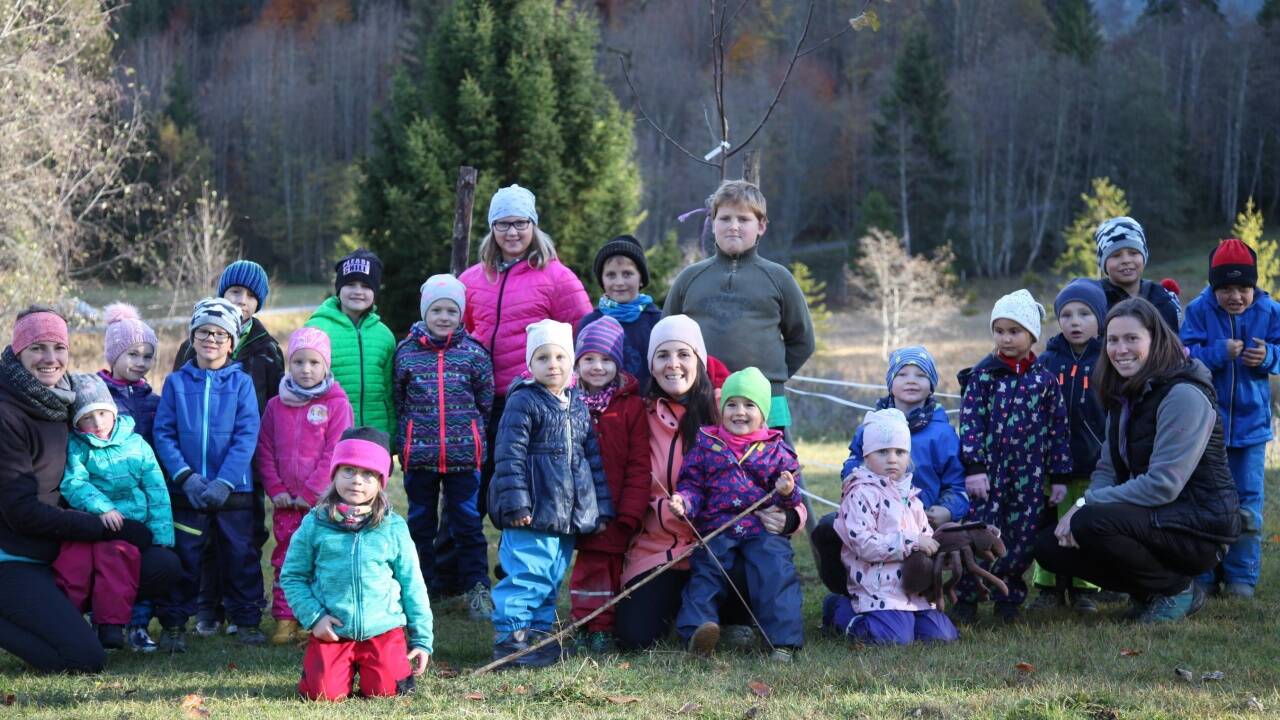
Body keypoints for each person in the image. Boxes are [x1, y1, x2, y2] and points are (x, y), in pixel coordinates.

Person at [1035, 298, 1241, 623]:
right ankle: (1148, 591)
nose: (1120, 349)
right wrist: (1088, 501)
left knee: (1090, 522)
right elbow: (1106, 468)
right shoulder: (1124, 392)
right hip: (1155, 518)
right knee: (1048, 545)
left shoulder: (1183, 394)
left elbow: (1163, 485)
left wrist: (1086, 504)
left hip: (1199, 527)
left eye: (1132, 338)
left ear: (1155, 340)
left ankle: (1176, 589)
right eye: (1113, 340)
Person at [613, 315, 807, 652]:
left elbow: (784, 480)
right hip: (665, 547)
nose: (674, 364)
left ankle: (736, 620)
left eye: (684, 354)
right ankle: (693, 620)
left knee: (762, 564)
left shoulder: (732, 408)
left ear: (699, 360)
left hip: (731, 542)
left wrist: (791, 518)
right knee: (635, 636)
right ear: (652, 364)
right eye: (663, 355)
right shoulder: (639, 415)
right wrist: (671, 509)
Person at [0, 306, 178, 673]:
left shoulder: (64, 399)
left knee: (162, 565)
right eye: (37, 348)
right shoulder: (8, 414)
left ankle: (70, 613)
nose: (50, 359)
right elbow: (21, 512)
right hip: (16, 556)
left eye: (58, 348)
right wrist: (103, 526)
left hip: (61, 547)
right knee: (83, 658)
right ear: (18, 352)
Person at [458, 186, 591, 523]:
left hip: (534, 401)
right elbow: (464, 330)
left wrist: (565, 382)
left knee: (525, 489)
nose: (512, 232)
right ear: (492, 228)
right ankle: (457, 571)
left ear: (533, 225)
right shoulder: (473, 279)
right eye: (502, 224)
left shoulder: (557, 277)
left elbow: (584, 332)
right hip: (482, 402)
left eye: (520, 223)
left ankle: (518, 568)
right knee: (473, 492)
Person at [487, 320, 612, 669]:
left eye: (560, 356)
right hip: (532, 510)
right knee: (527, 574)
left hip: (566, 513)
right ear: (531, 364)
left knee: (552, 576)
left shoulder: (576, 403)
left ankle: (539, 636)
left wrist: (598, 508)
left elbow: (591, 458)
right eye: (543, 357)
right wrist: (516, 503)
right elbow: (508, 455)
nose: (552, 364)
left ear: (571, 362)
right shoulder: (524, 401)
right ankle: (511, 639)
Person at [812, 345, 968, 626]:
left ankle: (922, 604)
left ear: (932, 385)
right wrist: (863, 482)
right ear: (890, 383)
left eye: (920, 375)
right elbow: (852, 464)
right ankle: (846, 595)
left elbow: (957, 486)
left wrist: (946, 510)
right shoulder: (870, 426)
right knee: (828, 527)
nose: (911, 380)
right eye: (903, 373)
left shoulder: (943, 433)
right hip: (872, 518)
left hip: (921, 523)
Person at [173, 261, 283, 638]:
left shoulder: (267, 350)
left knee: (244, 538)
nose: (243, 300)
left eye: (251, 296)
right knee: (200, 544)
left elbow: (270, 408)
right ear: (223, 293)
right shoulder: (194, 344)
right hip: (196, 466)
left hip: (243, 465)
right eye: (236, 292)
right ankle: (208, 608)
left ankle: (244, 610)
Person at [280, 427, 432, 700]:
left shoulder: (393, 527)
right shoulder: (315, 524)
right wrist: (315, 617)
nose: (357, 481)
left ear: (380, 480)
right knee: (322, 694)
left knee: (387, 692)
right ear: (335, 473)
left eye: (368, 474)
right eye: (348, 471)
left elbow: (413, 584)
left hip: (383, 630)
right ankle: (324, 671)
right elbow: (293, 577)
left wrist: (422, 639)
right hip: (334, 630)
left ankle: (386, 668)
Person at [669, 367, 803, 662]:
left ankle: (783, 641)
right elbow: (693, 485)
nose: (739, 412)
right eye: (731, 404)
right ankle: (696, 634)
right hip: (719, 527)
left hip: (761, 529)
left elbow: (793, 498)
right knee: (706, 572)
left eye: (749, 405)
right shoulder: (707, 446)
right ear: (721, 408)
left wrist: (786, 490)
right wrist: (684, 502)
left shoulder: (777, 451)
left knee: (776, 571)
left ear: (763, 412)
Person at [953, 289, 1071, 624]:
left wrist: (1059, 475)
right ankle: (968, 596)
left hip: (1030, 478)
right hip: (988, 476)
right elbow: (971, 423)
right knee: (980, 534)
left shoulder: (1044, 381)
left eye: (1014, 331)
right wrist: (974, 467)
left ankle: (1008, 598)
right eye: (1000, 330)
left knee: (1021, 539)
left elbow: (1057, 429)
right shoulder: (983, 376)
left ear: (1032, 335)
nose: (1006, 338)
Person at [152, 298, 263, 650]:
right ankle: (174, 625)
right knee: (185, 557)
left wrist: (225, 481)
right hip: (188, 491)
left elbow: (247, 435)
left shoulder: (241, 384)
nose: (211, 339)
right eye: (203, 332)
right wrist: (186, 477)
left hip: (234, 492)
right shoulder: (175, 383)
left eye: (219, 334)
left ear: (231, 342)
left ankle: (246, 620)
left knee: (240, 555)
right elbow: (164, 433)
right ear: (192, 338)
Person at [663, 180, 815, 431]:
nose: (733, 226)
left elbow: (803, 340)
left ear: (761, 226)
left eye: (743, 220)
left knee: (774, 467)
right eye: (725, 219)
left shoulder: (779, 278)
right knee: (701, 467)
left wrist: (769, 380)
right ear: (712, 224)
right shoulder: (689, 278)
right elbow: (666, 337)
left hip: (766, 400)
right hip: (702, 398)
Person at [1179, 238, 1279, 599]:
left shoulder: (1270, 311)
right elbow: (1185, 355)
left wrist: (1269, 356)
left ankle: (1242, 576)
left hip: (1252, 429)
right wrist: (1218, 352)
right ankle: (1205, 573)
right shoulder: (1198, 310)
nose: (1235, 296)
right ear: (1213, 287)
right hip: (1207, 427)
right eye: (1225, 289)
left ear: (1254, 286)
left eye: (1243, 288)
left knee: (1247, 504)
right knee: (1206, 500)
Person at [393, 275, 494, 619]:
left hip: (464, 456)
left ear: (461, 313)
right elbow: (399, 398)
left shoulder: (474, 354)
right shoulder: (406, 353)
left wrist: (472, 434)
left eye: (452, 310)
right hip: (419, 456)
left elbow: (485, 401)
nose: (444, 317)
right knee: (420, 523)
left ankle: (476, 587)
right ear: (425, 312)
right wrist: (405, 440)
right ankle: (421, 587)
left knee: (466, 523)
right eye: (437, 309)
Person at [56, 376, 174, 650]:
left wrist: (161, 536)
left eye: (102, 414)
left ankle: (113, 625)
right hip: (94, 523)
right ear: (76, 423)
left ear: (113, 411)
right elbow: (74, 483)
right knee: (77, 566)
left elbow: (156, 490)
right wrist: (102, 507)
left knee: (119, 561)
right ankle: (72, 623)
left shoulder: (136, 445)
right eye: (87, 418)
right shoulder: (78, 447)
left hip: (133, 526)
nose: (97, 423)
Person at [256, 327, 353, 645]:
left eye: (314, 362)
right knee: (286, 559)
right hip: (286, 503)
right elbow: (265, 450)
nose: (306, 369)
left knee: (322, 560)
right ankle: (285, 619)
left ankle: (316, 619)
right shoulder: (276, 405)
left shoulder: (337, 404)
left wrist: (311, 492)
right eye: (299, 362)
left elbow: (336, 451)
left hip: (322, 502)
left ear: (326, 365)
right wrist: (276, 489)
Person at [830, 409, 957, 645]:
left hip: (913, 587)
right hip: (877, 588)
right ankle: (842, 611)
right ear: (866, 456)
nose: (892, 459)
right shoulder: (860, 494)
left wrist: (940, 552)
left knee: (943, 636)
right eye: (882, 451)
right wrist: (912, 542)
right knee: (893, 638)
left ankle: (907, 620)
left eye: (900, 452)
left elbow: (925, 537)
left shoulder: (912, 497)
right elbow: (864, 544)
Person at [566, 317, 650, 653]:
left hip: (616, 507)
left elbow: (639, 463)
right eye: (589, 359)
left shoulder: (630, 406)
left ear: (618, 364)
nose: (597, 367)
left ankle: (602, 626)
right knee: (586, 569)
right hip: (578, 505)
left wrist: (631, 511)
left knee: (609, 568)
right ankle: (583, 622)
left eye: (606, 360)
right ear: (578, 362)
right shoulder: (568, 400)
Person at [1028, 280, 1109, 612]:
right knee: (1048, 523)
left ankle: (1083, 588)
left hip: (1093, 460)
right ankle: (1048, 588)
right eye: (1067, 315)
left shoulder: (1108, 358)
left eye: (1085, 314)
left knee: (1083, 520)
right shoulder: (1047, 361)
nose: (1075, 322)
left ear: (1100, 319)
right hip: (1053, 463)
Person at [96, 302, 165, 651]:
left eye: (147, 356)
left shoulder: (152, 401)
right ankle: (104, 621)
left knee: (142, 558)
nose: (140, 362)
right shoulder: (95, 395)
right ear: (114, 354)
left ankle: (139, 624)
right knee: (110, 562)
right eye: (132, 354)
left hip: (142, 493)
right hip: (103, 494)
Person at [304, 249, 396, 437]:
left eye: (365, 285)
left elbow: (390, 392)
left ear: (375, 291)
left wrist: (392, 437)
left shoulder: (385, 335)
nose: (358, 292)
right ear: (339, 288)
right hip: (329, 436)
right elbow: (304, 385)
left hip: (375, 437)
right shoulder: (316, 329)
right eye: (351, 284)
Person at [577, 235, 663, 389]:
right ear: (602, 281)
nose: (619, 282)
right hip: (600, 409)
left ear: (641, 278)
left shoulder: (657, 322)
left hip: (646, 407)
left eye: (627, 274)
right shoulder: (589, 323)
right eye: (611, 275)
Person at [1093, 217, 1182, 331]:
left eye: (1133, 253)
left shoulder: (1163, 299)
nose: (1126, 260)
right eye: (1116, 255)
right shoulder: (1095, 301)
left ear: (1144, 256)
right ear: (1103, 262)